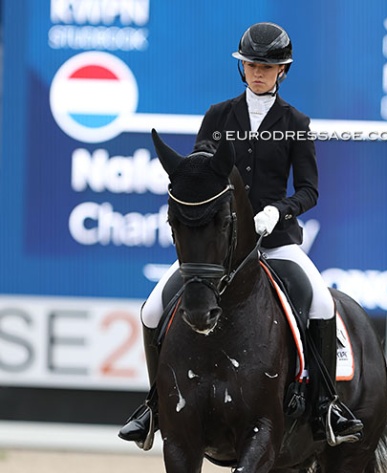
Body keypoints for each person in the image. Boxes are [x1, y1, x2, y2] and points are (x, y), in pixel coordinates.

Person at [119, 22, 363, 448]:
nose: (258, 73)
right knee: (152, 309)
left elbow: (309, 190)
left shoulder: (295, 122)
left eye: (267, 67)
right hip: (220, 248)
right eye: (252, 65)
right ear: (242, 67)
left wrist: (277, 210)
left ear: (282, 71)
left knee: (322, 302)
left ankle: (327, 407)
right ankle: (153, 407)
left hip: (276, 240)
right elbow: (198, 172)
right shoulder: (218, 116)